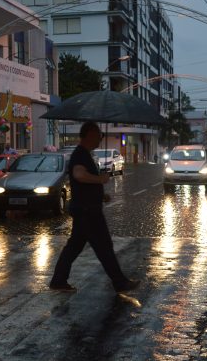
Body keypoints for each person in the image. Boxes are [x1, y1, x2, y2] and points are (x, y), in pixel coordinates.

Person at [49, 122, 139, 293]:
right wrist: (100, 180)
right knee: (104, 246)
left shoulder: (85, 154)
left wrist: (100, 195)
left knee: (74, 247)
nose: (100, 138)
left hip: (86, 208)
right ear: (90, 134)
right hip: (88, 211)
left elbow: (83, 183)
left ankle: (58, 280)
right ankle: (120, 283)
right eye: (99, 134)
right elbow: (79, 175)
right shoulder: (80, 154)